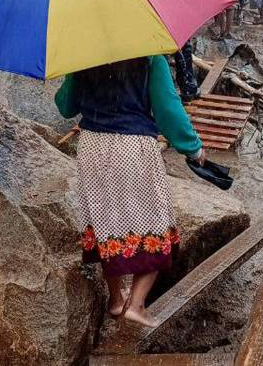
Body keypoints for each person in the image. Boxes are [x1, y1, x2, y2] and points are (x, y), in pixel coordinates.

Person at [54, 56, 203, 327]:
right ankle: (136, 305)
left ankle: (115, 300)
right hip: (133, 147)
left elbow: (66, 106)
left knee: (105, 222)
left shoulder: (84, 53)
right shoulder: (150, 56)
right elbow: (168, 109)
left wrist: (71, 72)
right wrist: (192, 147)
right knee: (156, 224)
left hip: (91, 147)